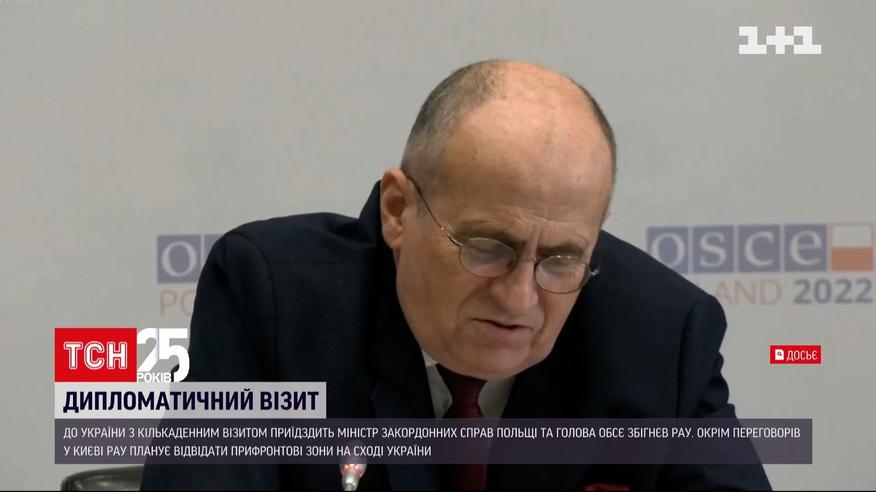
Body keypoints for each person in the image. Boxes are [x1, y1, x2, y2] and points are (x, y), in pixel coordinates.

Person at [141, 59, 770, 490]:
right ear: (398, 210)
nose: (519, 298)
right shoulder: (273, 300)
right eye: (488, 247)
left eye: (562, 258)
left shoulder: (664, 336)